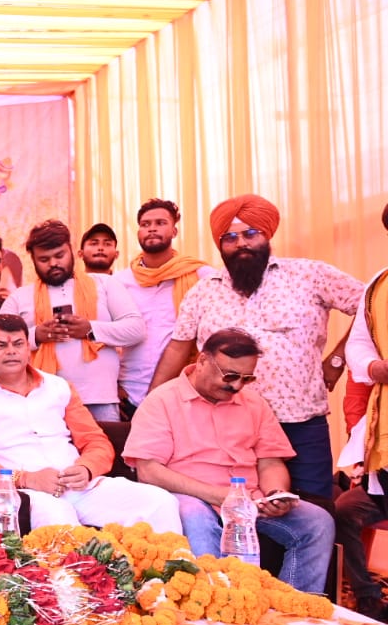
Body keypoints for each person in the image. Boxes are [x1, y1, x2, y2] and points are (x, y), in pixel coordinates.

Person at [149, 194, 363, 498]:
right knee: (235, 509)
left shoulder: (310, 275)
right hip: (225, 426)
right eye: (230, 238)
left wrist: (339, 358)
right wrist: (151, 404)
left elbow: (372, 306)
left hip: (300, 421)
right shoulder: (202, 292)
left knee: (314, 510)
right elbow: (177, 348)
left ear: (267, 235)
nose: (241, 244)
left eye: (250, 234)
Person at [124, 329, 335, 595]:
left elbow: (270, 461)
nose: (236, 386)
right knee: (194, 517)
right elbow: (149, 471)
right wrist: (218, 495)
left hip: (250, 501)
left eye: (247, 378)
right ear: (202, 361)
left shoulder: (254, 403)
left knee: (317, 521)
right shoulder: (162, 401)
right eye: (230, 375)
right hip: (191, 498)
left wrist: (275, 494)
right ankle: (219, 605)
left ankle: (295, 605)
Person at [0, 314, 180, 532]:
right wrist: (26, 478)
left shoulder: (58, 386)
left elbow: (95, 441)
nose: (11, 351)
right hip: (27, 493)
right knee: (60, 517)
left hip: (79, 486)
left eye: (18, 344)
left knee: (159, 501)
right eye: (1, 345)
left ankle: (171, 563)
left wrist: (86, 468)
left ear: (28, 348)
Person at [0, 219, 145, 422]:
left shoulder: (104, 284)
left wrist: (90, 329)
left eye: (59, 255)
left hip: (99, 400)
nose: (53, 263)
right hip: (42, 403)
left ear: (71, 250)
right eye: (44, 259)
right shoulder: (19, 297)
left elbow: (136, 329)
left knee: (104, 444)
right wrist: (35, 336)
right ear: (33, 260)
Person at [114, 198, 212, 413]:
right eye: (145, 224)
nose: (152, 229)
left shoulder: (200, 276)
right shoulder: (119, 281)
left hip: (184, 390)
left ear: (174, 231)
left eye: (160, 223)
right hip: (127, 390)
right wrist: (111, 386)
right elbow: (104, 339)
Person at [340, 201, 388, 618]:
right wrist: (373, 367)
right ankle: (369, 597)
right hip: (385, 432)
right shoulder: (379, 285)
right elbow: (358, 343)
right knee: (342, 509)